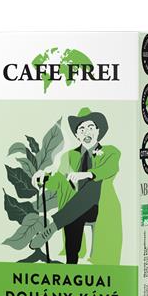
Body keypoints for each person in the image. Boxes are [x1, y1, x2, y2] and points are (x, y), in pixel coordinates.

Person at [30, 107, 122, 265]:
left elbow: (110, 168)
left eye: (91, 127)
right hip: (75, 209)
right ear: (77, 135)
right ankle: (71, 265)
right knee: (74, 212)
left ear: (98, 131)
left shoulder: (110, 152)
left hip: (101, 206)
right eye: (82, 129)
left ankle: (54, 226)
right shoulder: (69, 156)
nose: (86, 132)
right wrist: (43, 178)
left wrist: (87, 174)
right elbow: (60, 179)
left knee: (94, 185)